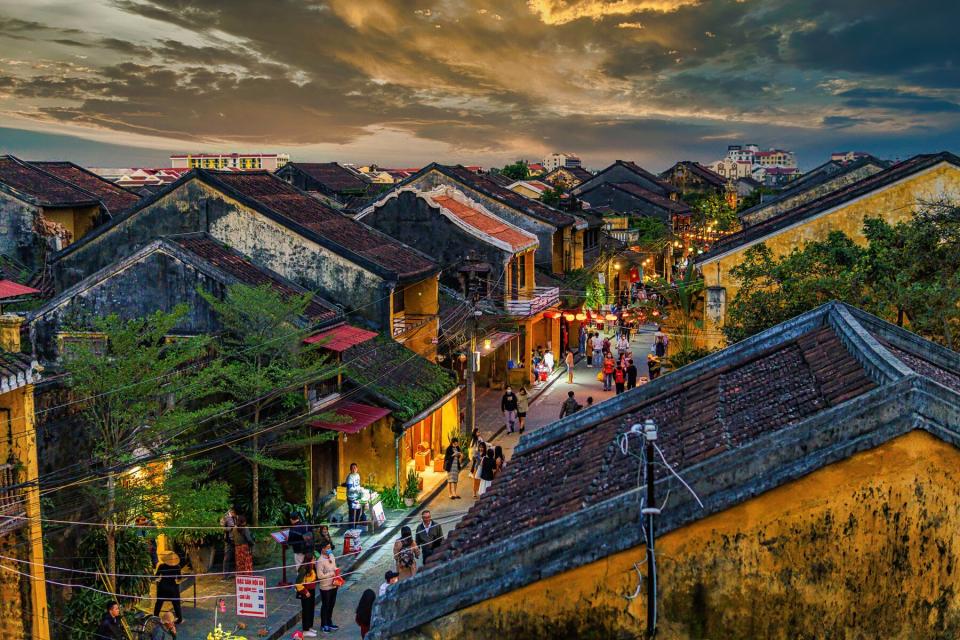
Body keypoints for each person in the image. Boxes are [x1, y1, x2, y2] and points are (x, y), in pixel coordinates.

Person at [154, 551, 184, 623]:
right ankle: (179, 619)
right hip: (173, 587)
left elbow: (157, 576)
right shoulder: (177, 567)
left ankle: (155, 617)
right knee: (176, 603)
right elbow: (179, 578)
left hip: (163, 587)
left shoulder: (161, 566)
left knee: (159, 602)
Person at [316, 541, 340, 633]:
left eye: (330, 547)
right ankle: (323, 624)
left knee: (331, 605)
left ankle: (329, 622)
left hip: (334, 584)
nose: (329, 549)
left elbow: (334, 567)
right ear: (323, 549)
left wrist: (337, 573)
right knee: (325, 605)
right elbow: (320, 575)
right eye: (327, 547)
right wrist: (331, 574)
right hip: (325, 587)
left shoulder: (332, 556)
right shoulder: (320, 561)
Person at [295, 552, 318, 637]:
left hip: (312, 590)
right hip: (306, 592)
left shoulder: (311, 567)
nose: (315, 560)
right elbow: (298, 584)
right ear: (309, 560)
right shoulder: (303, 569)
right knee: (306, 610)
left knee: (311, 609)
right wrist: (305, 592)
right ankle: (305, 629)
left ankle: (309, 627)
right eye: (313, 559)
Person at [346, 462, 364, 530]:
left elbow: (358, 484)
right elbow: (349, 488)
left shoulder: (358, 475)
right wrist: (357, 489)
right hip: (351, 498)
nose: (354, 469)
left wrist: (360, 490)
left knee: (358, 511)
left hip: (357, 497)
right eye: (352, 468)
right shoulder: (349, 477)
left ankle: (356, 525)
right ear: (350, 469)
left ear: (357, 469)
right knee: (352, 513)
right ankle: (351, 528)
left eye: (355, 468)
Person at [219, 507, 236, 579]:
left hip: (235, 539)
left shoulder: (235, 518)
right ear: (230, 511)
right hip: (228, 540)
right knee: (227, 557)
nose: (234, 513)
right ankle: (225, 575)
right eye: (233, 512)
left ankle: (231, 573)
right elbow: (222, 528)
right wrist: (231, 528)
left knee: (234, 557)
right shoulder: (224, 518)